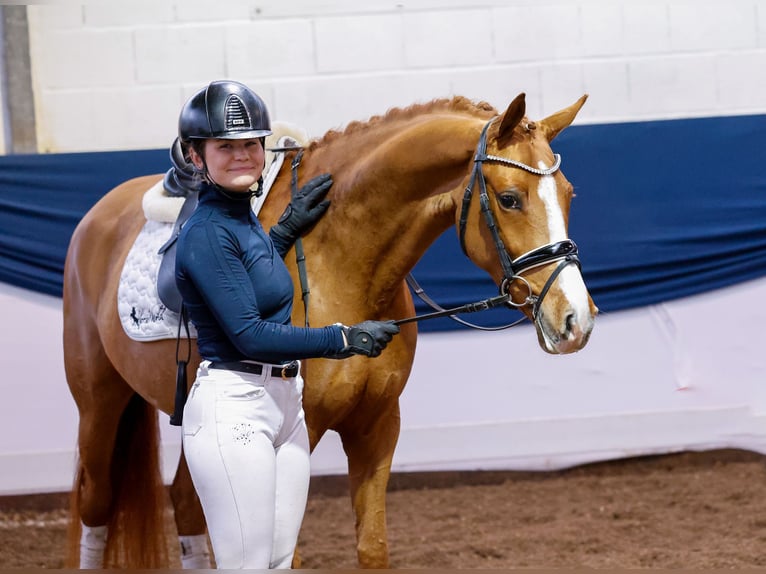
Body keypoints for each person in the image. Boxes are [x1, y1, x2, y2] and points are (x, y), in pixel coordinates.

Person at [174, 80, 400, 569]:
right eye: (224, 147)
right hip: (235, 409)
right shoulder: (207, 230)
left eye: (251, 144)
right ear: (196, 156)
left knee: (278, 563)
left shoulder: (241, 218)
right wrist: (343, 338)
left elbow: (248, 277)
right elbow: (250, 333)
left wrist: (281, 233)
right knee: (248, 566)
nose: (242, 156)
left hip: (285, 407)